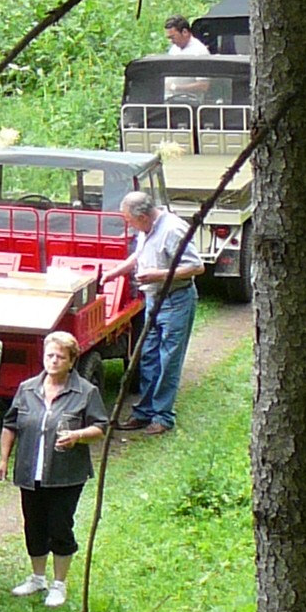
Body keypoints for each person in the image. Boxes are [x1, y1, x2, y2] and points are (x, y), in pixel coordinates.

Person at [0, 330, 108, 609]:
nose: (54, 361)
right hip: (29, 471)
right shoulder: (27, 389)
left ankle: (59, 583)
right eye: (50, 355)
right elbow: (10, 425)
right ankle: (37, 578)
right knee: (33, 525)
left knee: (60, 526)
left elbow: (100, 427)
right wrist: (3, 459)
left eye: (60, 357)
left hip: (65, 474)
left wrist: (78, 435)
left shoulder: (86, 392)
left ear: (72, 361)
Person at [119, 185, 200, 434]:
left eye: (130, 221)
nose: (129, 225)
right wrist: (115, 272)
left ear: (143, 216)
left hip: (176, 300)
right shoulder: (146, 229)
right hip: (153, 300)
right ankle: (144, 411)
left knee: (168, 360)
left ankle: (163, 417)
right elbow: (139, 255)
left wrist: (158, 275)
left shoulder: (173, 230)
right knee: (149, 356)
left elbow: (196, 267)